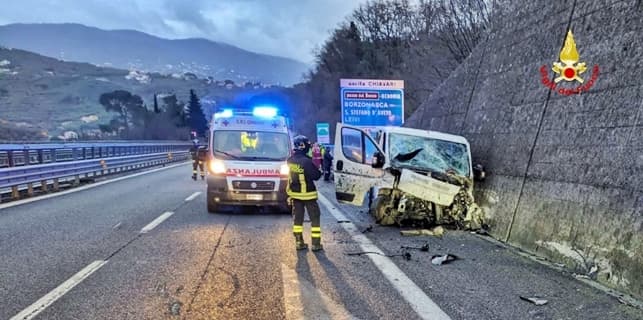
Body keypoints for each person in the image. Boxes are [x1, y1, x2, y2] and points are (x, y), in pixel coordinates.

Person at [287, 135, 323, 251]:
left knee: (298, 220)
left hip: (295, 195)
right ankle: (316, 244)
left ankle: (299, 242)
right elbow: (316, 176)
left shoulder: (290, 160)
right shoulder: (306, 161)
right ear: (303, 146)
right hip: (308, 195)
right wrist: (319, 170)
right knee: (315, 218)